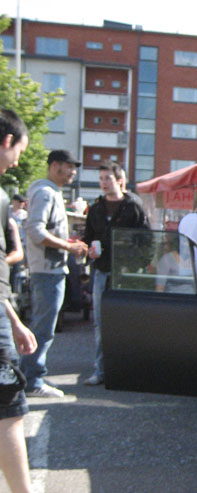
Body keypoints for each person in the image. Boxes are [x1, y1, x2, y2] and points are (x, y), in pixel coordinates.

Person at [0, 108, 95, 493]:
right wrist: (69, 246)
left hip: (24, 290)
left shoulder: (35, 192)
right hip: (42, 274)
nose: (17, 160)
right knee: (9, 410)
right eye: (17, 149)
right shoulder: (37, 193)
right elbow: (36, 233)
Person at [22, 149, 88, 397]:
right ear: (54, 166)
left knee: (43, 327)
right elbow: (35, 230)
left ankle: (28, 378)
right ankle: (32, 381)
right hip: (47, 271)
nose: (73, 172)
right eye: (69, 166)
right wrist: (68, 247)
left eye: (74, 168)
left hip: (49, 269)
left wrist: (70, 243)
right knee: (43, 328)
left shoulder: (50, 192)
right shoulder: (45, 192)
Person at [82, 161, 150, 386]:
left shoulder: (133, 206)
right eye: (101, 179)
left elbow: (147, 240)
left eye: (107, 178)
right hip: (102, 270)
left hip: (127, 272)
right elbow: (87, 238)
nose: (103, 183)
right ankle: (100, 370)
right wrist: (89, 251)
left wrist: (137, 265)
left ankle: (128, 370)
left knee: (127, 321)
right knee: (100, 323)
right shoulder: (96, 208)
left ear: (120, 180)